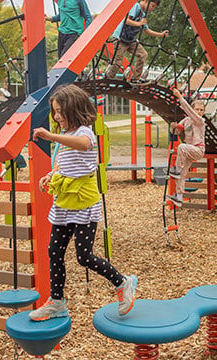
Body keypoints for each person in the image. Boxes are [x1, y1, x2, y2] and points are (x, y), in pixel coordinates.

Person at [29, 84, 137, 321]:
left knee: (84, 256)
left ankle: (123, 282)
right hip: (65, 202)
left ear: (73, 109)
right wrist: (50, 175)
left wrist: (49, 135)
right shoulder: (65, 137)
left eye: (60, 112)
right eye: (54, 112)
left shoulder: (84, 132)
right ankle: (57, 302)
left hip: (84, 203)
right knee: (54, 251)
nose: (56, 117)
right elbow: (62, 162)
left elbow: (84, 146)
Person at [104, 0, 168, 84]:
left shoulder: (143, 15)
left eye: (154, 7)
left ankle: (135, 78)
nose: (152, 9)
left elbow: (146, 30)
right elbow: (126, 20)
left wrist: (160, 35)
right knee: (117, 63)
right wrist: (139, 23)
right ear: (146, 1)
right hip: (120, 39)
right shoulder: (136, 6)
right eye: (152, 6)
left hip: (130, 40)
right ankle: (107, 79)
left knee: (143, 54)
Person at [165, 88, 207, 207]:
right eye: (197, 109)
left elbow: (189, 111)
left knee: (181, 147)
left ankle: (176, 169)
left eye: (201, 110)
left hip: (198, 149)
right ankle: (179, 197)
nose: (199, 112)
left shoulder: (200, 121)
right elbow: (176, 131)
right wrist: (174, 127)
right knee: (182, 174)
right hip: (189, 150)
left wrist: (180, 97)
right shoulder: (187, 120)